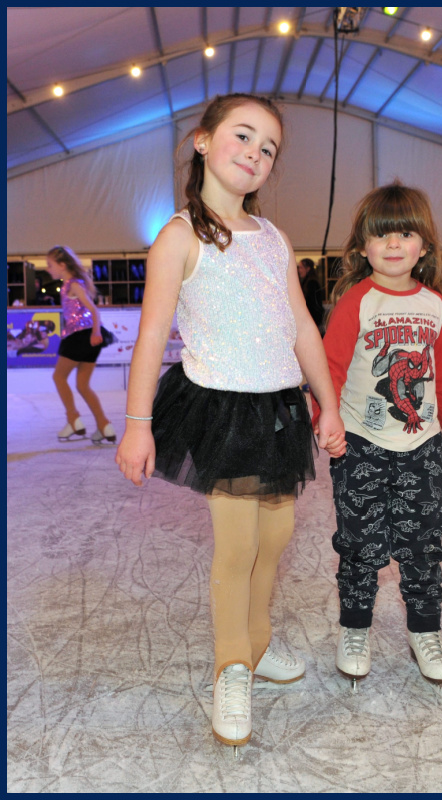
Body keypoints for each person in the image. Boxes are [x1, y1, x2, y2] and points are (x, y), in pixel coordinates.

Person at [114, 93, 347, 749]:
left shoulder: (273, 238)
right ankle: (232, 665)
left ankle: (258, 638)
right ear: (202, 141)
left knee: (275, 541)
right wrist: (137, 424)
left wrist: (327, 402)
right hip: (222, 409)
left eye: (268, 147)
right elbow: (152, 335)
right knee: (238, 548)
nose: (254, 152)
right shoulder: (180, 236)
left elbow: (302, 326)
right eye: (243, 136)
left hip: (278, 409)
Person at [317, 181, 442, 691]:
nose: (393, 245)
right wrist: (326, 419)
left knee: (423, 544)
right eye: (381, 236)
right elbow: (331, 367)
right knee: (360, 545)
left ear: (424, 245)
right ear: (363, 247)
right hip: (360, 441)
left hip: (421, 446)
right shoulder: (357, 302)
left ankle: (424, 632)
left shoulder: (434, 306)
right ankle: (354, 630)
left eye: (405, 234)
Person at [45, 245, 115, 444]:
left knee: (59, 377)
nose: (48, 269)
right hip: (87, 338)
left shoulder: (73, 284)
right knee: (82, 385)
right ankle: (103, 425)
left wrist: (95, 331)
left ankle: (73, 419)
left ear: (62, 264)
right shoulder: (71, 284)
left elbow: (94, 310)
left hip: (80, 336)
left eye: (50, 265)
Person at [297, 257, 325, 331]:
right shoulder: (311, 281)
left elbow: (309, 303)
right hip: (313, 318)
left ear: (308, 269)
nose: (299, 270)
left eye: (301, 268)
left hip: (311, 318)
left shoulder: (311, 283)